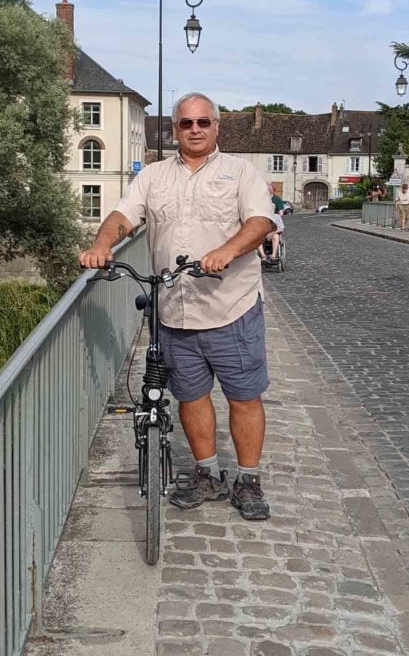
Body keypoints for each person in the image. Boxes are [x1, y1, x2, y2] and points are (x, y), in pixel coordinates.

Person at [79, 92, 275, 521]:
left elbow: (261, 221)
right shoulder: (153, 176)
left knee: (243, 397)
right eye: (186, 123)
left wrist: (227, 249)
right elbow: (123, 215)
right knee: (191, 396)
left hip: (232, 307)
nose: (195, 130)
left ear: (217, 127)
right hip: (174, 310)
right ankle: (207, 474)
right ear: (175, 130)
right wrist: (101, 244)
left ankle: (247, 480)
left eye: (204, 122)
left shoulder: (240, 172)